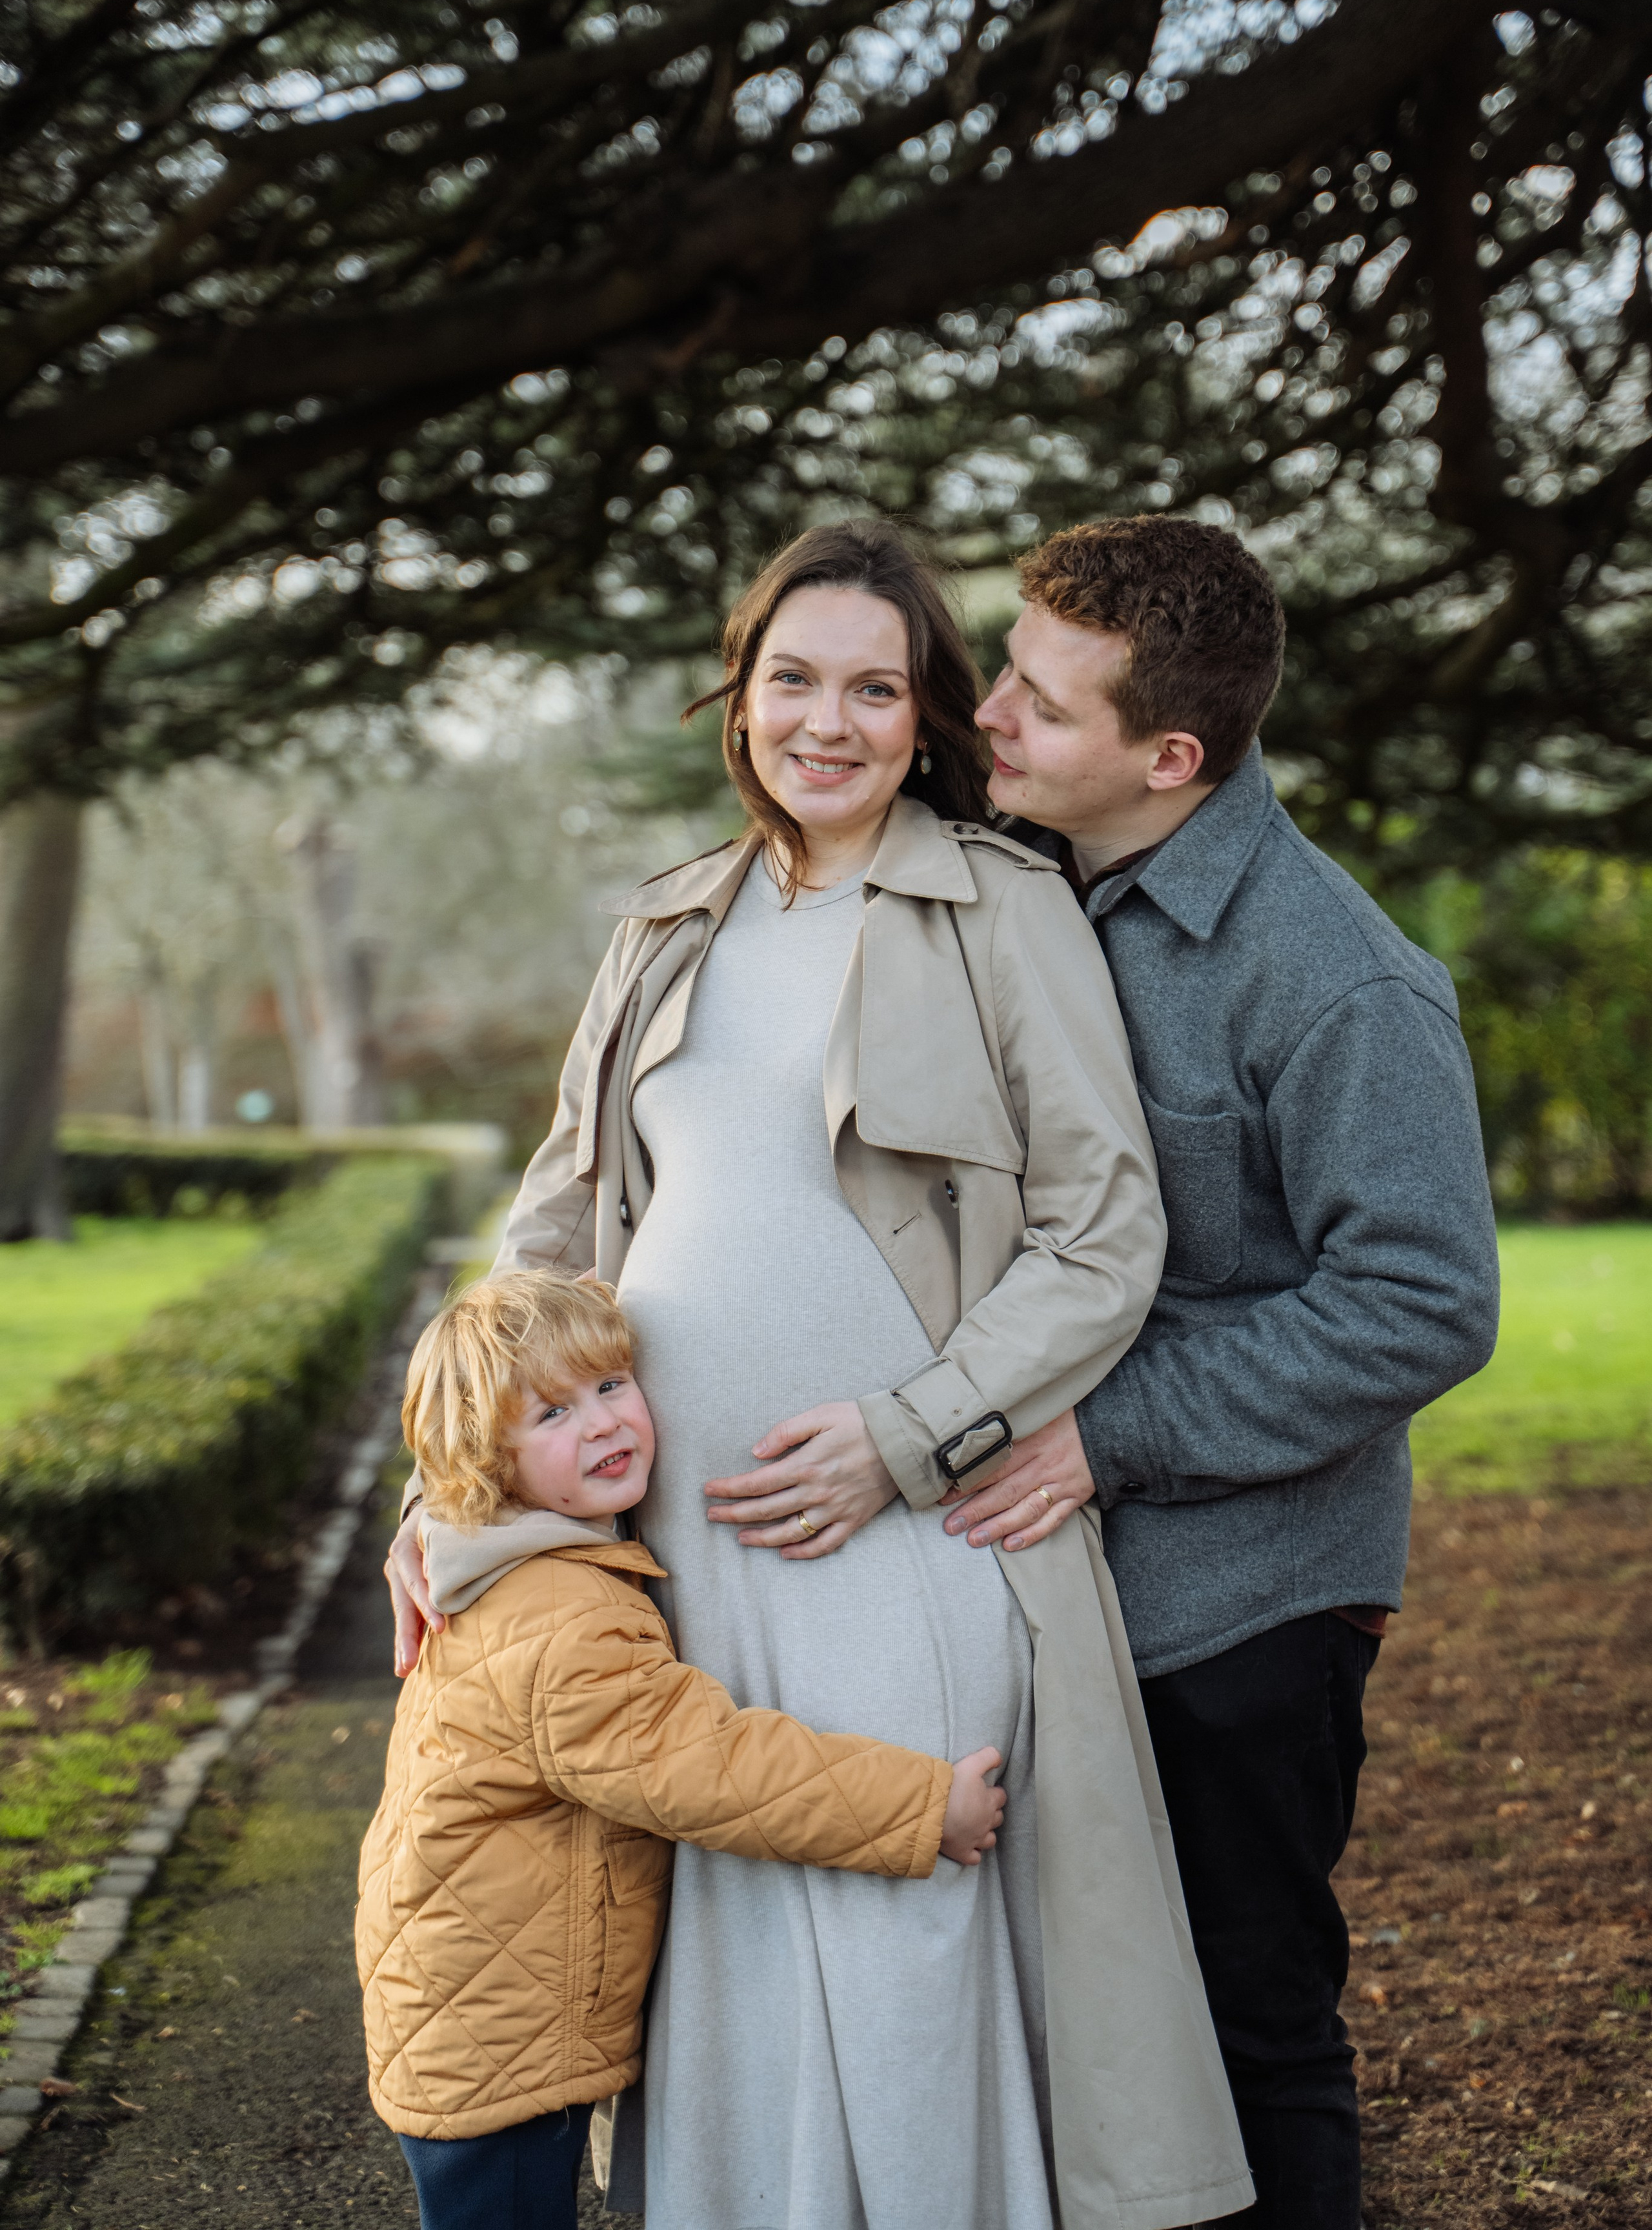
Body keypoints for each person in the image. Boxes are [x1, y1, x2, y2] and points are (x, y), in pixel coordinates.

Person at [389, 520, 1254, 2230]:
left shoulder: (1002, 910)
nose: (828, 722)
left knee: (903, 1937)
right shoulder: (662, 926)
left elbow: (1104, 1233)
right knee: (718, 1962)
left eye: (874, 686)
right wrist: (454, 1489)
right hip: (674, 1554)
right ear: (746, 697)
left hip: (901, 1532)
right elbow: (553, 1233)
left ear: (928, 710)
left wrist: (905, 1440)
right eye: (794, 680)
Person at [939, 516, 1502, 2230]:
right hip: (1049, 1582)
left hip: (1247, 1616)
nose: (993, 720)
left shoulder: (1337, 982)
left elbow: (1424, 1302)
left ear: (1169, 758)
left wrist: (1115, 1436)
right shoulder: (1033, 880)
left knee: (1252, 2033)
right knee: (1085, 2049)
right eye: (1005, 673)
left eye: (1040, 702)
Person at [359, 1267, 1009, 2230]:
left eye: (612, 1385)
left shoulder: (496, 1565)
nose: (604, 1424)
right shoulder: (561, 1617)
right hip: (498, 2029)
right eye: (553, 1413)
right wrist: (921, 1806)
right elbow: (711, 1769)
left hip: (468, 1999)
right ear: (488, 1459)